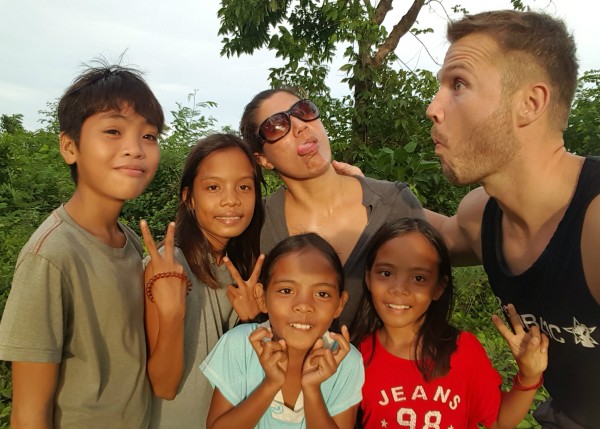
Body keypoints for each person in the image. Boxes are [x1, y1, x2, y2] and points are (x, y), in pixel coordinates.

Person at [423, 9, 600, 428]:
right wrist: (353, 190)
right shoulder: (482, 215)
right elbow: (434, 234)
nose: (433, 108)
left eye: (458, 84)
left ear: (530, 103)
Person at [0, 62, 164, 428]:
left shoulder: (129, 241)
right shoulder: (51, 255)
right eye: (113, 131)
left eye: (149, 136)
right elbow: (28, 415)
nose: (135, 149)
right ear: (69, 147)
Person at [240, 91, 424, 326]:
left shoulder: (394, 204)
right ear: (263, 159)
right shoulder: (256, 226)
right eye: (276, 126)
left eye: (303, 111)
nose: (300, 127)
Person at [352, 218, 548, 428]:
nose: (399, 289)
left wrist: (529, 376)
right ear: (368, 278)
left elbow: (498, 421)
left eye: (418, 278)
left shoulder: (464, 349)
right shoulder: (355, 357)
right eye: (386, 273)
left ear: (439, 287)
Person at [141, 134, 265, 428]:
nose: (231, 199)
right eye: (213, 187)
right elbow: (164, 387)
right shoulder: (168, 267)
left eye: (244, 186)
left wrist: (253, 320)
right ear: (189, 198)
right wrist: (172, 314)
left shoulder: (238, 264)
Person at [200, 233, 364, 429]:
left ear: (340, 304)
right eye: (286, 291)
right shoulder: (240, 345)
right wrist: (270, 384)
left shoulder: (346, 361)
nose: (304, 306)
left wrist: (312, 390)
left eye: (322, 294)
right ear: (262, 298)